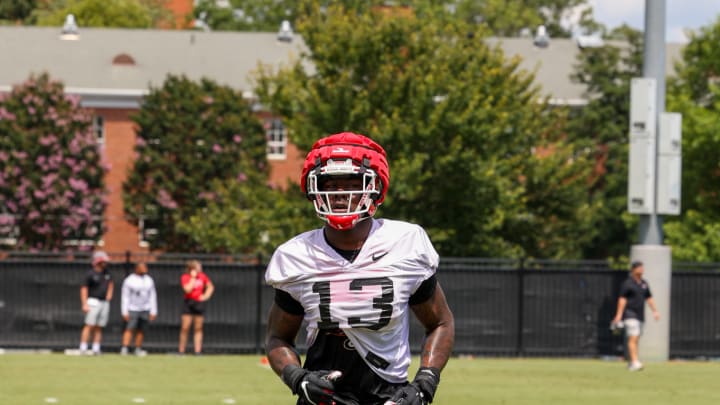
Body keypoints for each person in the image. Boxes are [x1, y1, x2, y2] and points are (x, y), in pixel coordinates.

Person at [264, 132, 455, 405]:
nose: (341, 194)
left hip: (390, 397)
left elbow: (440, 322)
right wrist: (297, 377)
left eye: (352, 183)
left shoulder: (406, 243)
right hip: (323, 399)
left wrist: (426, 381)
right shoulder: (295, 256)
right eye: (330, 184)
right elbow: (277, 337)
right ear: (314, 188)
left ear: (375, 188)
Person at [612, 260, 660, 371]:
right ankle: (634, 362)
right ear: (633, 269)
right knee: (633, 337)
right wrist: (619, 315)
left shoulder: (644, 283)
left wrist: (655, 311)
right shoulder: (628, 284)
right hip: (630, 314)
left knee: (636, 338)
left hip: (640, 315)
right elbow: (622, 299)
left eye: (642, 267)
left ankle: (632, 362)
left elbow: (649, 298)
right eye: (639, 267)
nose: (641, 269)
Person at [79, 250, 114, 355]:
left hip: (104, 303)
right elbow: (84, 289)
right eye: (103, 261)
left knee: (99, 326)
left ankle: (96, 348)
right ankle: (83, 347)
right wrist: (84, 303)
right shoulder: (90, 274)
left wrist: (109, 294)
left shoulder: (107, 273)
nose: (105, 263)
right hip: (93, 302)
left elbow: (111, 284)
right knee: (89, 325)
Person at [120, 262, 158, 356]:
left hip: (145, 308)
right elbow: (125, 296)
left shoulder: (149, 280)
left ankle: (138, 348)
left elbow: (152, 296)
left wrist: (153, 310)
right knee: (130, 328)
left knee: (141, 329)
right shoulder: (129, 280)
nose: (145, 269)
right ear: (137, 268)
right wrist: (124, 311)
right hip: (133, 308)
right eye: (143, 267)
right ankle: (125, 348)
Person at [178, 260, 214, 354]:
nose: (200, 268)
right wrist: (193, 278)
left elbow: (210, 287)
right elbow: (187, 290)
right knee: (185, 328)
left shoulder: (203, 276)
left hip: (199, 303)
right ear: (192, 268)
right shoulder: (185, 277)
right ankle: (181, 351)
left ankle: (197, 351)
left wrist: (205, 296)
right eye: (198, 266)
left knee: (198, 328)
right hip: (189, 303)